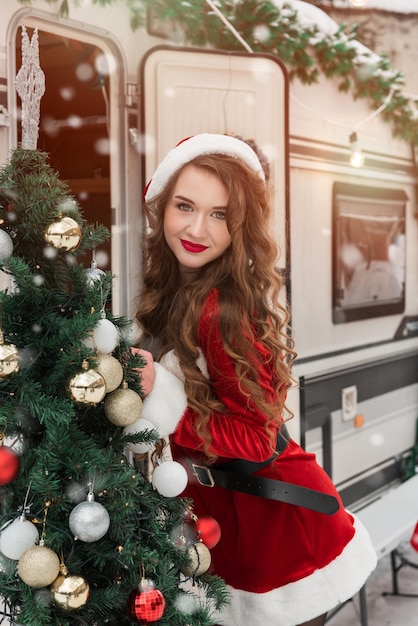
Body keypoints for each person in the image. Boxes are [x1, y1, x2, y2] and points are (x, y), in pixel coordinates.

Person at [134, 134, 377, 626]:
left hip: (277, 530)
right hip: (232, 520)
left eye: (220, 214)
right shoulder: (180, 284)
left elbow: (255, 437)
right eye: (185, 206)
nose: (197, 227)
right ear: (163, 207)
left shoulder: (223, 308)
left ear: (240, 225)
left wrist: (161, 396)